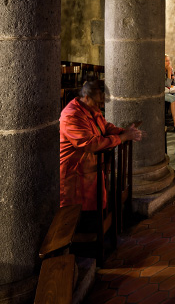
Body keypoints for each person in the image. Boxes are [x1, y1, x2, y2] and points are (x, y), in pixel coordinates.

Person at [60, 79, 142, 210]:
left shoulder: (91, 107)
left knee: (96, 207)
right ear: (86, 97)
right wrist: (122, 138)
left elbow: (104, 126)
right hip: (75, 174)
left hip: (91, 169)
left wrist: (123, 132)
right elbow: (90, 144)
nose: (101, 107)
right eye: (99, 103)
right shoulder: (72, 115)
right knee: (77, 214)